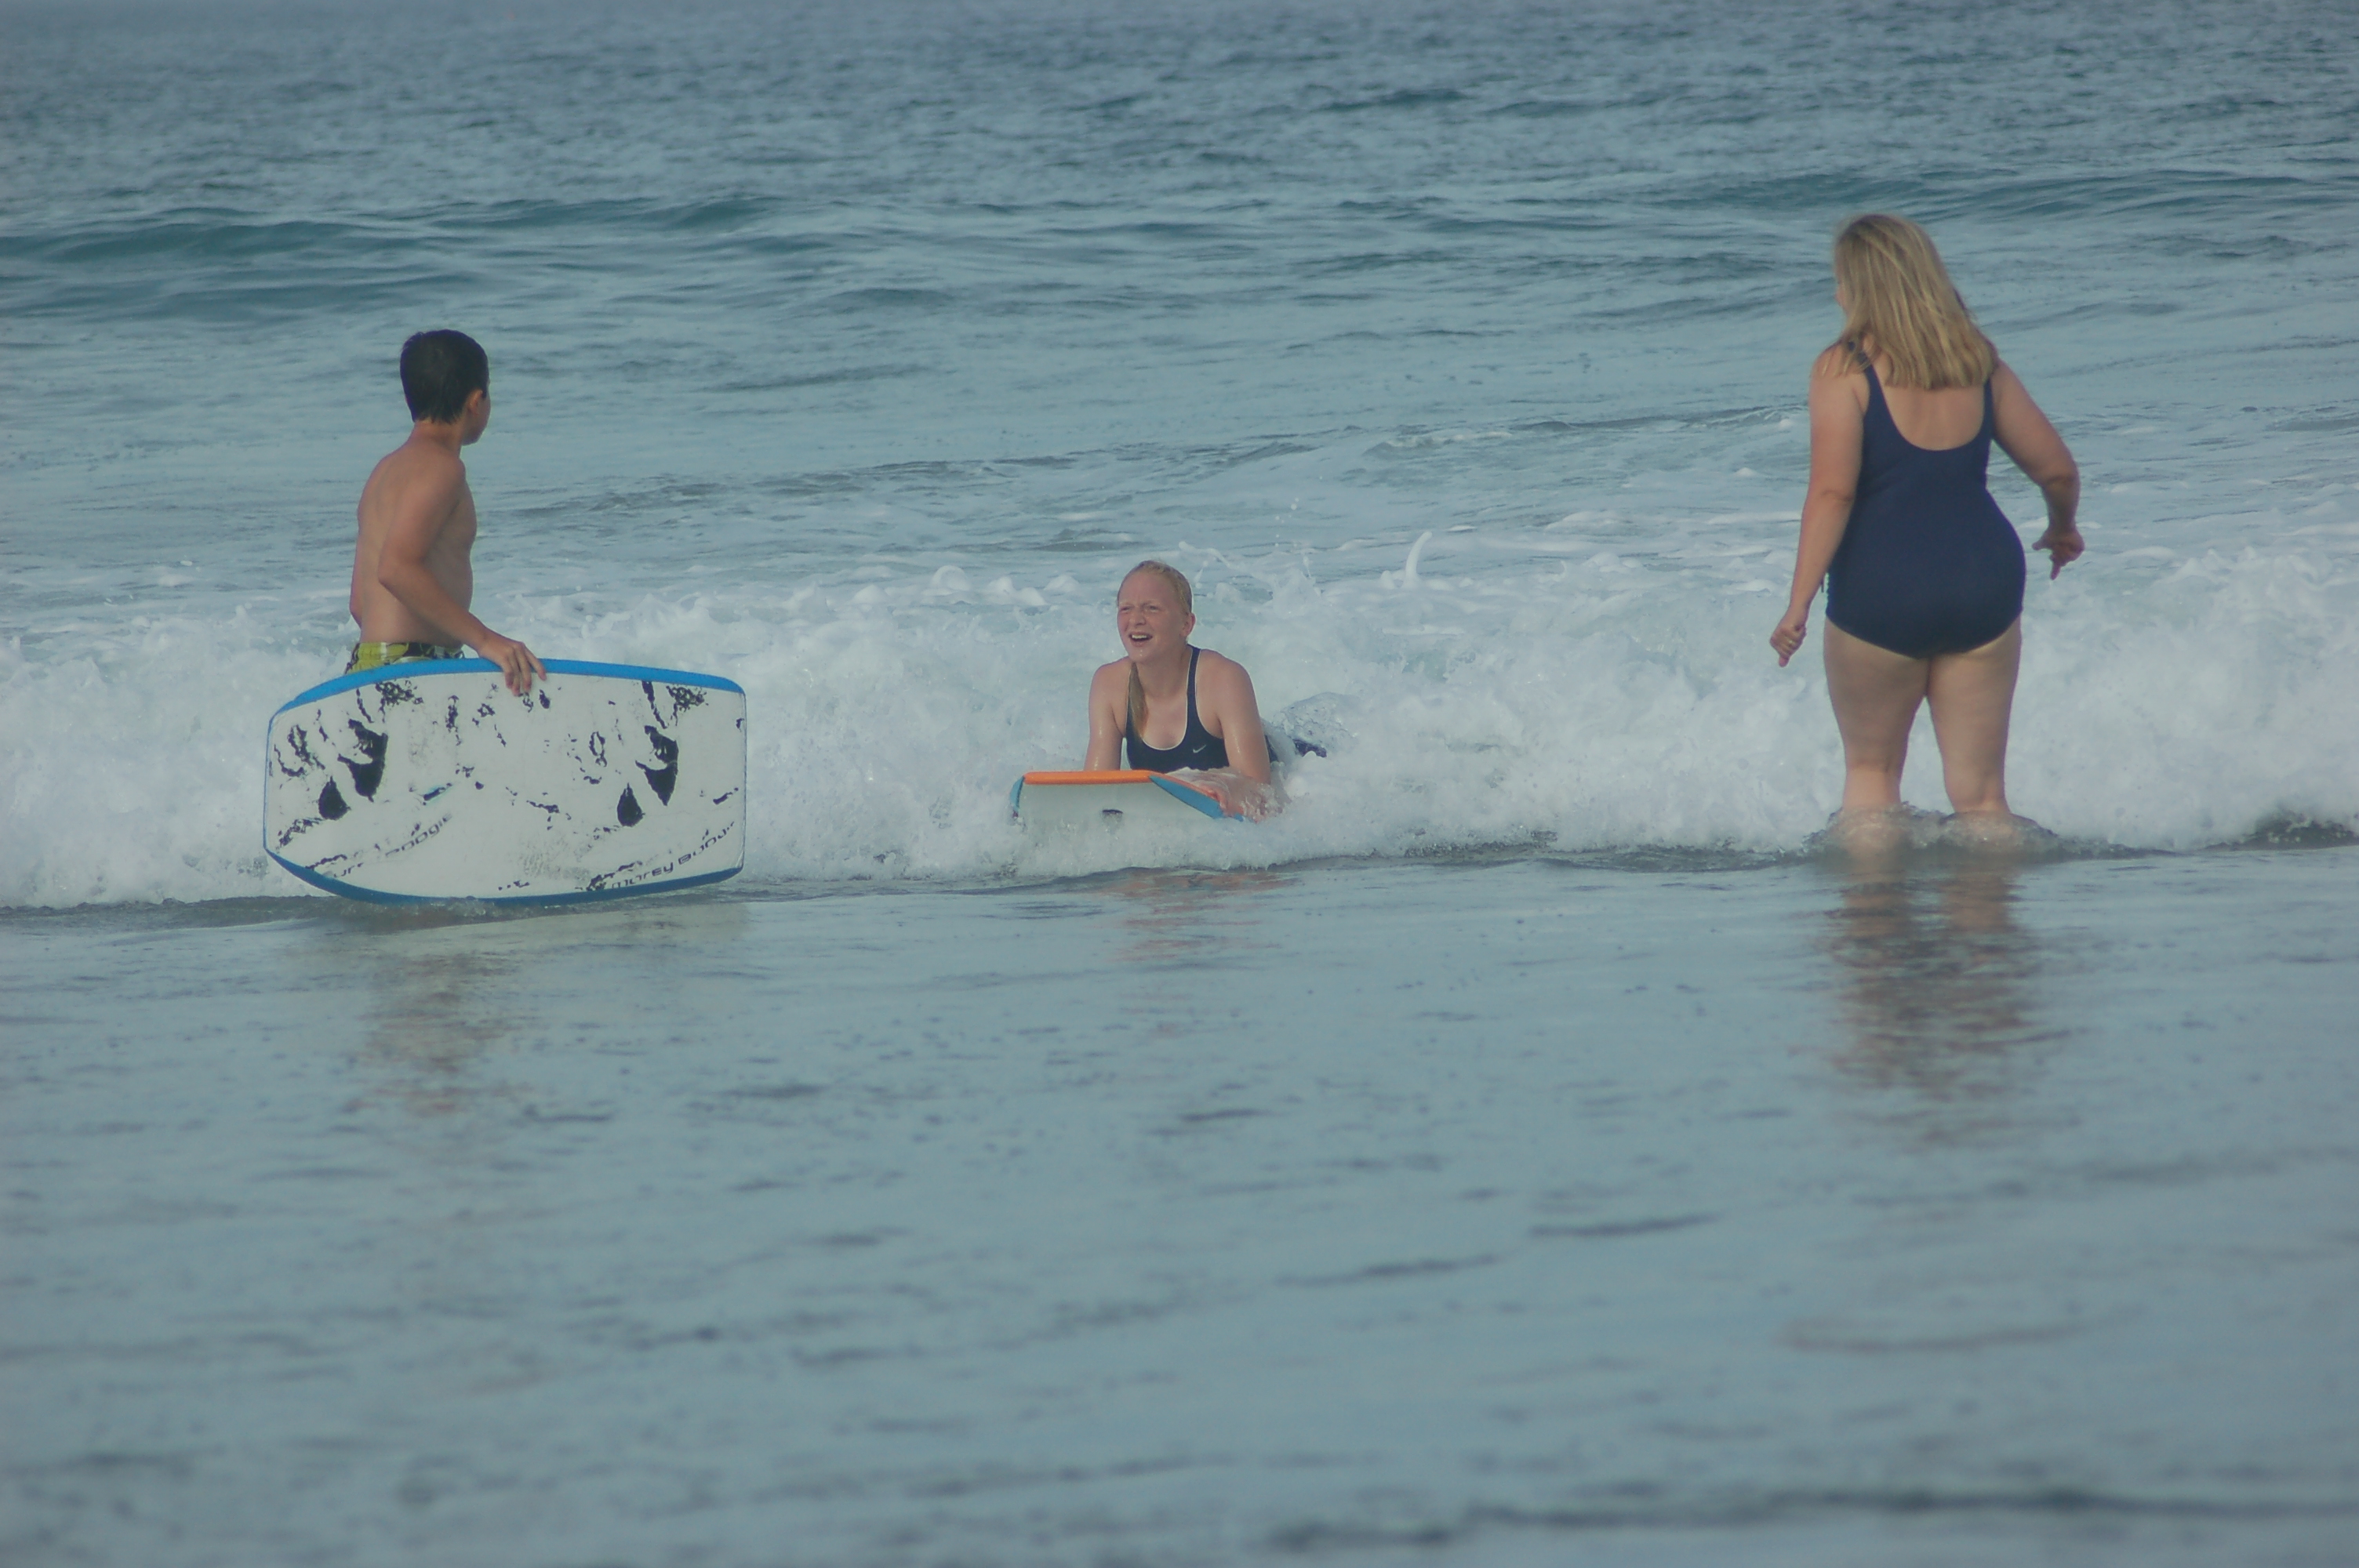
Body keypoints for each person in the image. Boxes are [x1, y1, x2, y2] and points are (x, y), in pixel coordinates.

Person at [1770, 215, 2083, 846]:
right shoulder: (1978, 363)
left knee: (1872, 776)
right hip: (1982, 580)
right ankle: (1991, 908)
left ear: (1863, 286)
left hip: (1883, 584)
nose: (1836, 293)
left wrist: (1799, 601)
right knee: (1983, 796)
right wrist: (2062, 528)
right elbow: (2056, 469)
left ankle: (1876, 910)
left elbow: (1832, 492)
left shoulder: (1843, 368)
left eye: (1840, 280)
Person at [347, 330, 544, 695]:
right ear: (476, 401)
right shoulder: (443, 468)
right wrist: (485, 640)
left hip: (368, 665)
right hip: (413, 667)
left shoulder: (384, 471)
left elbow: (361, 604)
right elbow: (395, 568)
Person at [1082, 561, 1278, 819]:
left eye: (1152, 608)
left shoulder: (1223, 679)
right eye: (1126, 609)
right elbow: (1095, 791)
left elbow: (1262, 791)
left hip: (1296, 767)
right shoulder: (1109, 684)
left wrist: (1226, 785)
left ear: (1186, 624)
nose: (1136, 620)